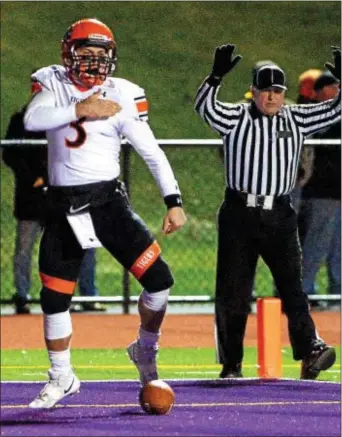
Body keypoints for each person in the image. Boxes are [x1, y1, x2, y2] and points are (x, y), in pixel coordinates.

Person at [23, 18, 186, 409]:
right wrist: (81, 107)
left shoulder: (124, 94)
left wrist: (173, 200)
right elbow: (33, 120)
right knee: (54, 297)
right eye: (86, 54)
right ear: (68, 54)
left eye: (101, 55)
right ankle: (61, 375)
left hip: (108, 202)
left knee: (159, 282)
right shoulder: (51, 82)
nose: (94, 63)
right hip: (64, 205)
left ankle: (145, 350)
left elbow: (152, 151)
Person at [194, 43, 340, 380]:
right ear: (254, 92)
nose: (271, 98)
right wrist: (214, 77)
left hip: (280, 213)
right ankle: (232, 364)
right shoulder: (235, 117)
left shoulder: (297, 117)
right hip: (239, 212)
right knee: (233, 290)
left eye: (277, 91)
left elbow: (336, 111)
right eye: (265, 91)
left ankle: (310, 350)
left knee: (293, 287)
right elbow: (205, 109)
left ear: (283, 93)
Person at [3, 92, 105, 314]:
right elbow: (10, 153)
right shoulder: (21, 120)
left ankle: (86, 294)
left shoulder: (66, 117)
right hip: (30, 197)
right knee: (25, 248)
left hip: (65, 194)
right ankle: (22, 296)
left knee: (81, 243)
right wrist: (34, 179)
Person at [298, 71, 341, 307]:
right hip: (321, 191)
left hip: (336, 191)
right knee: (315, 246)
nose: (337, 91)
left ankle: (336, 295)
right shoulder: (315, 113)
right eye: (334, 87)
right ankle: (305, 293)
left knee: (338, 249)